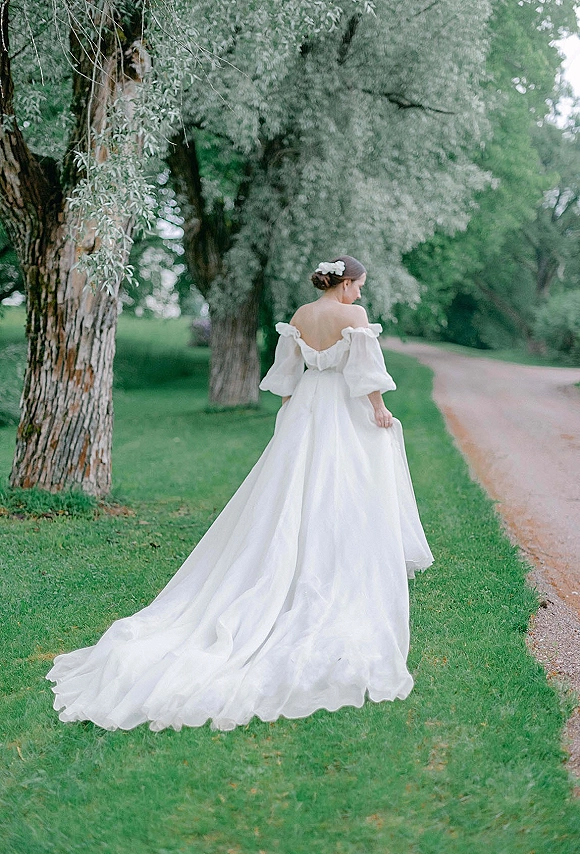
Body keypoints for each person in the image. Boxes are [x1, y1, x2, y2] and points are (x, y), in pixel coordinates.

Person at [47, 255, 433, 732]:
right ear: (347, 282)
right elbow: (365, 372)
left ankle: (290, 560)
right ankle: (329, 566)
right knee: (340, 488)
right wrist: (378, 409)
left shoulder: (300, 317)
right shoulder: (351, 317)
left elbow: (288, 377)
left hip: (306, 409)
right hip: (339, 408)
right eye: (359, 286)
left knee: (290, 492)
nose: (360, 295)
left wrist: (294, 414)